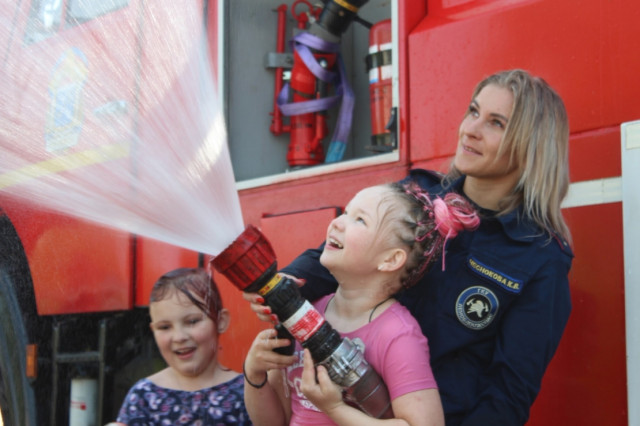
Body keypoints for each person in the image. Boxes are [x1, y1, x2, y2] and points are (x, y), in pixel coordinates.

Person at [247, 69, 574, 425]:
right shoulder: (418, 195)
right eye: (473, 111)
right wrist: (287, 284)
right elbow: (339, 254)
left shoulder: (540, 257)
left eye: (496, 123)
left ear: (530, 145)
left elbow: (509, 391)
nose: (470, 129)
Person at [242, 181, 480, 425]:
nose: (337, 222)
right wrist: (254, 372)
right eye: (346, 212)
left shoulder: (397, 334)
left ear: (390, 259)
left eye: (360, 220)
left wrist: (335, 408)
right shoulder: (303, 314)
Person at [115, 267, 252, 425]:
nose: (179, 337)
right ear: (153, 330)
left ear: (221, 321)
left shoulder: (248, 394)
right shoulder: (143, 397)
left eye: (192, 321)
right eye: (165, 327)